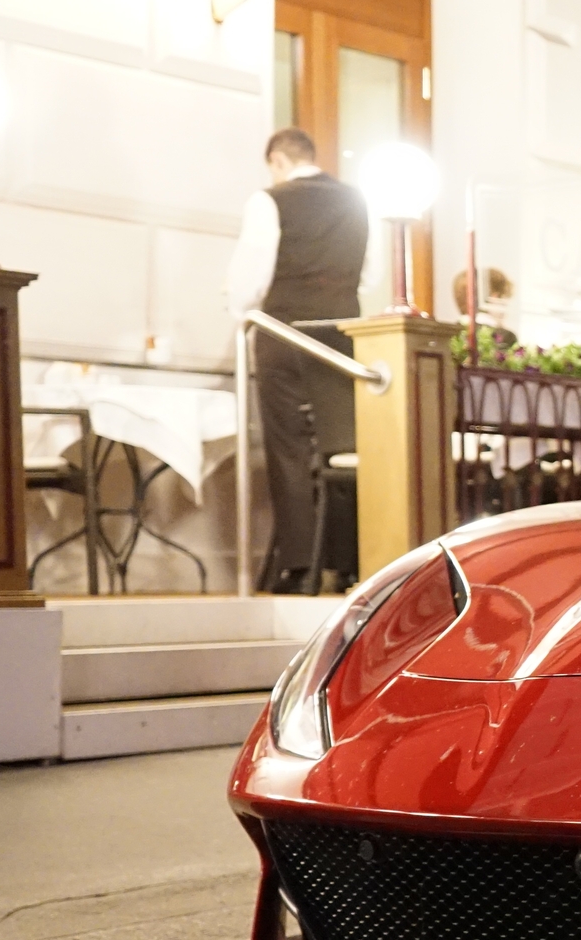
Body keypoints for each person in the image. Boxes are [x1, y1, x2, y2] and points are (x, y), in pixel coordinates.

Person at [226, 127, 369, 593]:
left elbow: (249, 279)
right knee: (341, 445)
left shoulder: (270, 200)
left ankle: (299, 564)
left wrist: (241, 316)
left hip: (284, 336)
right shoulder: (357, 201)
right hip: (340, 339)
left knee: (288, 449)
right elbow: (370, 273)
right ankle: (349, 562)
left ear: (277, 160)